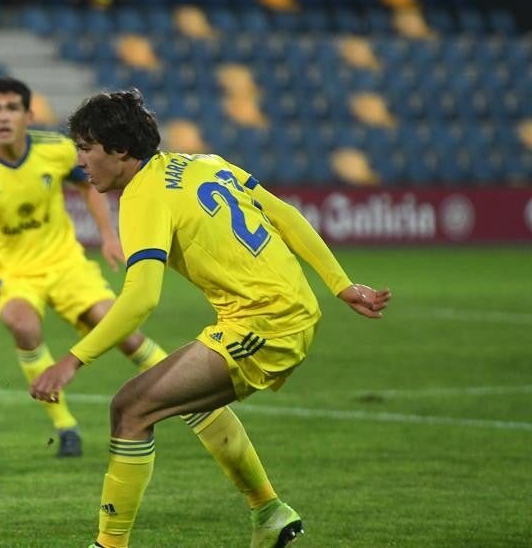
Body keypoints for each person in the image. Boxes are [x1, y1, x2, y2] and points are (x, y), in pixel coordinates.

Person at [29, 88, 391, 547]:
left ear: (119, 150)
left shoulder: (142, 197)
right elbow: (283, 213)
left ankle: (109, 545)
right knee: (190, 400)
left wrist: (72, 360)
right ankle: (270, 514)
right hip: (281, 310)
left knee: (130, 408)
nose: (79, 160)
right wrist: (341, 284)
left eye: (85, 148)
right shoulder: (202, 162)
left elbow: (140, 298)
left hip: (266, 322)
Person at [0, 77, 241, 458]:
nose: (3, 116)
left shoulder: (56, 151)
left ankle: (192, 403)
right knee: (22, 323)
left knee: (122, 328)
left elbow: (86, 185)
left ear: (29, 114)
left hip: (66, 264)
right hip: (12, 274)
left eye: (12, 107)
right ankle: (64, 426)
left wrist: (108, 235)